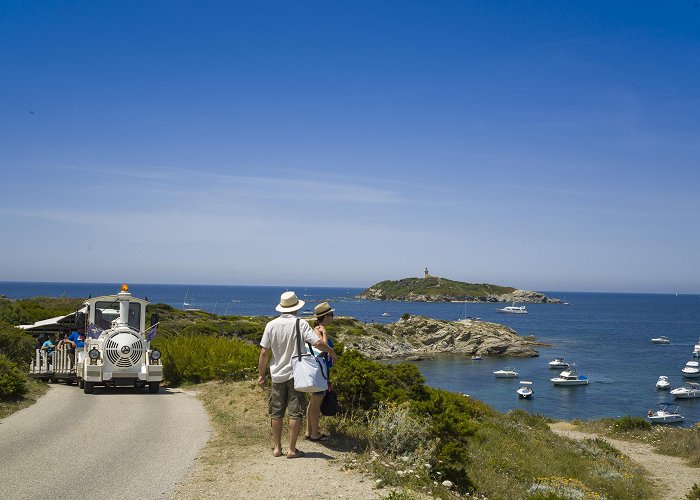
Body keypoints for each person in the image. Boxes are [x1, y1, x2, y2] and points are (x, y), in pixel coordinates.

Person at [258, 291, 337, 459]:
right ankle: (292, 449)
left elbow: (264, 353)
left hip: (277, 375)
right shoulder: (301, 324)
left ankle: (277, 448)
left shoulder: (271, 325)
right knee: (295, 412)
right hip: (296, 375)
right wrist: (331, 351)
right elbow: (317, 343)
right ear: (296, 307)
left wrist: (262, 375)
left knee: (276, 413)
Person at [306, 301, 335, 441]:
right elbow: (321, 350)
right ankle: (315, 433)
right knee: (316, 404)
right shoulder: (319, 330)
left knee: (312, 402)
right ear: (326, 316)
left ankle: (308, 431)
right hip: (320, 371)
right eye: (331, 314)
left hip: (320, 370)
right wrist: (325, 334)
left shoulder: (317, 329)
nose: (333, 317)